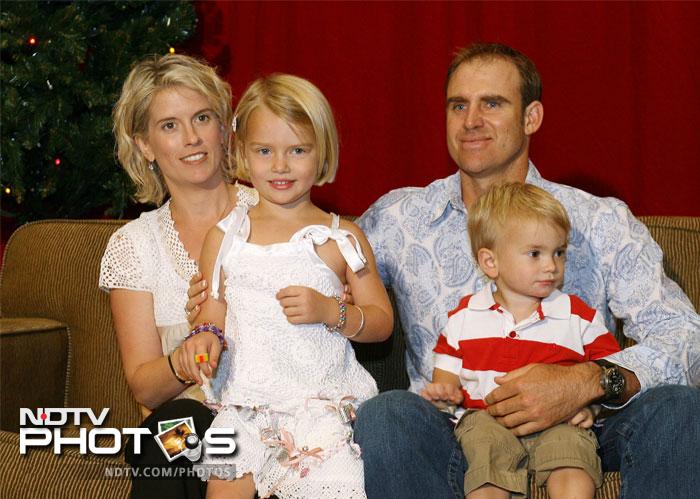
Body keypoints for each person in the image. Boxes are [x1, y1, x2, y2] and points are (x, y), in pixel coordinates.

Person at [353, 42, 700, 498]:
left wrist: (586, 382)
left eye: (492, 103)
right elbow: (312, 263)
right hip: (456, 430)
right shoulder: (399, 218)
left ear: (531, 117)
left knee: (678, 408)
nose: (471, 120)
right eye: (459, 105)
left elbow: (684, 335)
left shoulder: (599, 219)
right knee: (386, 415)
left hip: (587, 428)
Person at [186, 74, 393, 499]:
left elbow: (381, 321)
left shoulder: (342, 239)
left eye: (297, 151)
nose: (280, 166)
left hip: (318, 407)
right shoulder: (222, 238)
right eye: (265, 151)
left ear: (322, 155)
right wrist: (202, 342)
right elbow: (212, 315)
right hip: (244, 404)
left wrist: (331, 312)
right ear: (243, 153)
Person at [99, 53, 258, 499]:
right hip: (190, 418)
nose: (192, 138)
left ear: (224, 127)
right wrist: (187, 355)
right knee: (162, 438)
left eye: (201, 118)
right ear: (145, 145)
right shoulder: (133, 246)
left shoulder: (272, 211)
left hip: (280, 406)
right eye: (170, 125)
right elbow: (145, 387)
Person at [421, 182, 621, 498]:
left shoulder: (577, 315)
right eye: (535, 254)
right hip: (488, 419)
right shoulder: (465, 316)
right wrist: (445, 391)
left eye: (559, 252)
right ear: (490, 262)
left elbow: (611, 371)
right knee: (484, 457)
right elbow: (446, 373)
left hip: (561, 420)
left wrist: (593, 409)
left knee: (573, 457)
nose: (551, 265)